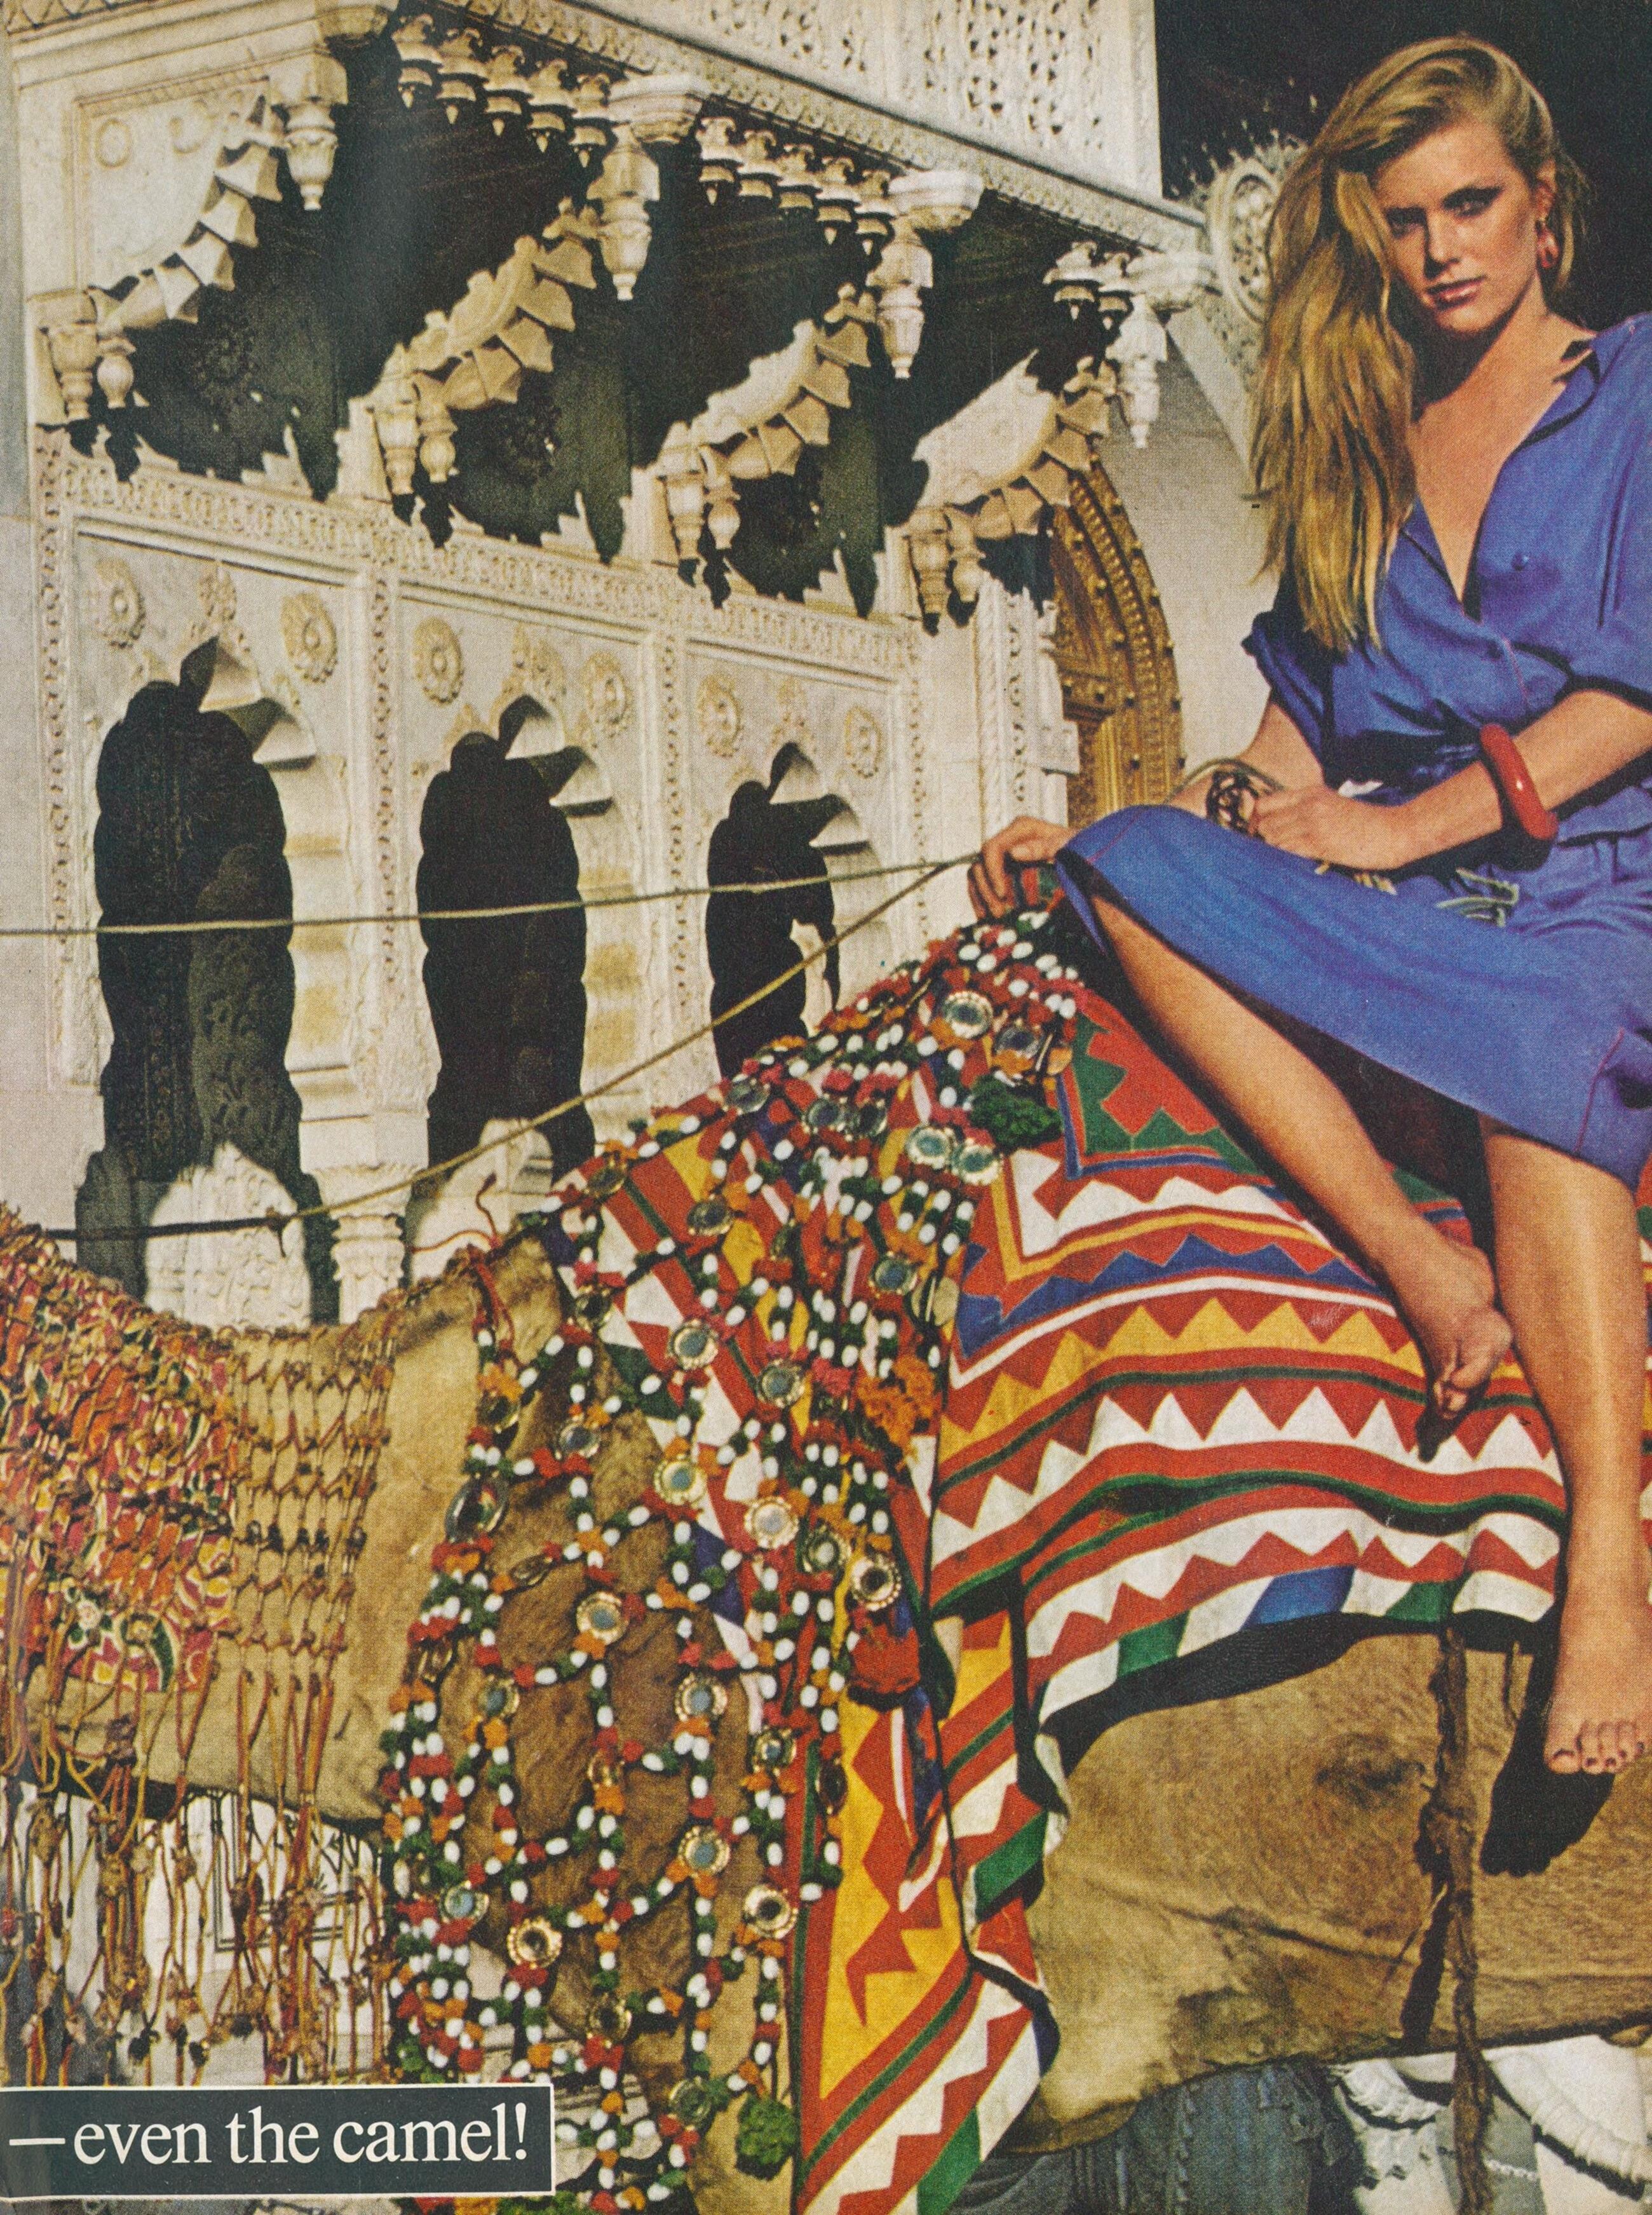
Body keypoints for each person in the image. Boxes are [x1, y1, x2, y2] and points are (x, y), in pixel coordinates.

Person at [970, 37, 1652, 1778]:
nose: (1441, 251)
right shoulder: (1364, 453)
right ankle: (1424, 1269)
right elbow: (1283, 753)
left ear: (1545, 207)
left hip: (1598, 890)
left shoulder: (1638, 394)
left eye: (1472, 206)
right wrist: (1126, 828)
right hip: (1412, 902)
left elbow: (1625, 706)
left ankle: (1607, 1559)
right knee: (1135, 866)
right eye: (1406, 221)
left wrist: (1398, 828)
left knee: (1543, 1034)